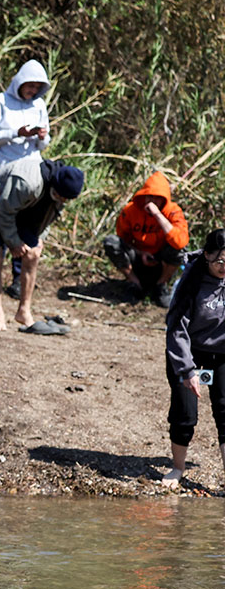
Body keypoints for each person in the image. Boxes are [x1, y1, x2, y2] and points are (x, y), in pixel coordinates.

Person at [0, 153, 84, 333]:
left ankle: (24, 311)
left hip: (21, 210)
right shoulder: (28, 182)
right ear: (56, 187)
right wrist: (14, 242)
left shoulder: (62, 190)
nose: (64, 202)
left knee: (33, 254)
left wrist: (39, 240)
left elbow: (49, 215)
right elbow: (3, 212)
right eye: (62, 198)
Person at [0, 59, 52, 301]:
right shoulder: (1, 102)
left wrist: (41, 136)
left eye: (36, 87)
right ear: (19, 83)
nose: (31, 91)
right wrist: (16, 133)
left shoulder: (39, 105)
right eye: (28, 86)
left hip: (32, 174)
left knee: (28, 224)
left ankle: (19, 279)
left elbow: (44, 143)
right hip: (5, 173)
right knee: (0, 223)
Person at [162, 230, 225, 487]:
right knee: (185, 413)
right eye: (220, 261)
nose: (224, 267)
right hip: (188, 353)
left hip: (220, 354)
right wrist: (187, 370)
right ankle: (177, 468)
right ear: (207, 255)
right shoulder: (190, 282)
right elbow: (176, 328)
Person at [104, 171, 189, 307]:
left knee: (180, 249)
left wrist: (157, 214)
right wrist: (140, 252)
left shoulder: (173, 212)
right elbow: (122, 240)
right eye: (149, 196)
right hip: (138, 258)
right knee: (111, 242)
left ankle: (161, 286)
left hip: (161, 263)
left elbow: (180, 242)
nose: (152, 201)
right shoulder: (131, 210)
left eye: (157, 198)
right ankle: (133, 283)